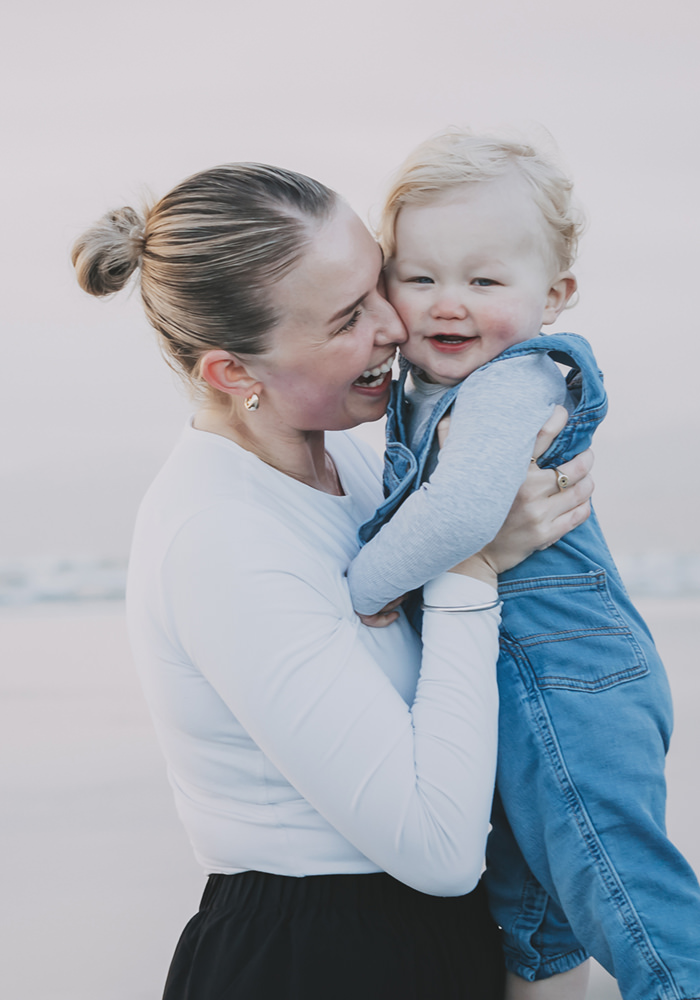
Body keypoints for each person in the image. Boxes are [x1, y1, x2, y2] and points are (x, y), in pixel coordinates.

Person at [71, 162, 593, 1000]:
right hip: (318, 958)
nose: (396, 324)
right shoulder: (220, 536)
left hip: (439, 946)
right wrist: (470, 564)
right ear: (232, 374)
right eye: (349, 318)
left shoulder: (355, 453)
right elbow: (438, 849)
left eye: (380, 281)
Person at [347, 129, 700, 1000]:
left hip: (570, 682)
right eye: (420, 277)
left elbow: (463, 512)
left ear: (557, 294)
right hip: (513, 691)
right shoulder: (419, 391)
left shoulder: (514, 382)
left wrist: (359, 588)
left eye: (485, 280)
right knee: (533, 922)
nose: (448, 304)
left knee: (624, 897)